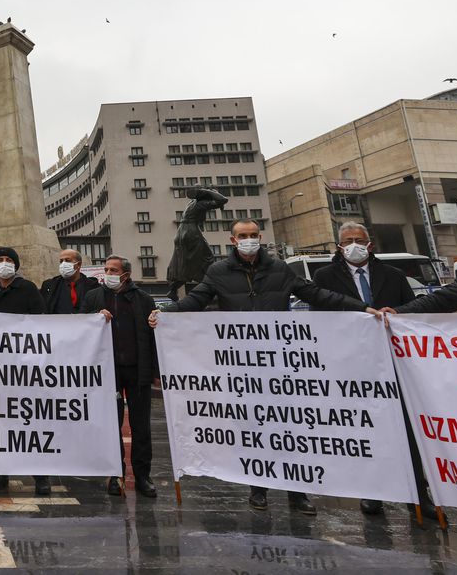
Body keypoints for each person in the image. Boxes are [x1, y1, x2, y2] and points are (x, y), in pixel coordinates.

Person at [150, 219, 364, 514]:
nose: (248, 240)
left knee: (290, 428)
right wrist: (167, 313)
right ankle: (258, 489)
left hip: (280, 365)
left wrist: (363, 309)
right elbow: (197, 299)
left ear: (260, 237)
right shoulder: (218, 272)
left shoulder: (279, 269)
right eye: (242, 236)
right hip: (243, 368)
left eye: (253, 235)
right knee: (251, 428)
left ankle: (297, 492)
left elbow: (317, 295)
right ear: (232, 240)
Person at [310, 222, 434, 519]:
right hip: (352, 365)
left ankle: (418, 492)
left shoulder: (392, 275)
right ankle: (373, 491)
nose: (354, 245)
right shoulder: (324, 277)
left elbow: (412, 310)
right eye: (348, 240)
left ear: (370, 244)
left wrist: (399, 315)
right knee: (365, 428)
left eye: (359, 240)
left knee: (405, 429)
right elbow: (320, 316)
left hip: (393, 363)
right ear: (339, 246)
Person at [83, 255, 157, 498]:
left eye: (113, 270)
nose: (108, 274)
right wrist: (95, 318)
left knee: (140, 426)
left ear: (126, 274)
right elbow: (81, 328)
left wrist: (155, 371)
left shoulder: (143, 299)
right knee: (110, 425)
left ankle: (143, 475)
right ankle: (116, 474)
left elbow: (152, 336)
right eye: (106, 269)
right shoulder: (94, 297)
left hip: (137, 370)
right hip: (107, 372)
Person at [0, 246, 50, 495]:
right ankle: (0, 473)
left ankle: (40, 476)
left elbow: (40, 319)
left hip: (24, 366)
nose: (4, 264)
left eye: (9, 260)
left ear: (16, 265)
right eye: (0, 260)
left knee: (30, 421)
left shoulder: (28, 288)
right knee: (0, 421)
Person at [40, 249, 100, 314]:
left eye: (67, 260)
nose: (63, 264)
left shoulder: (94, 287)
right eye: (61, 261)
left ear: (79, 264)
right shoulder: (49, 286)